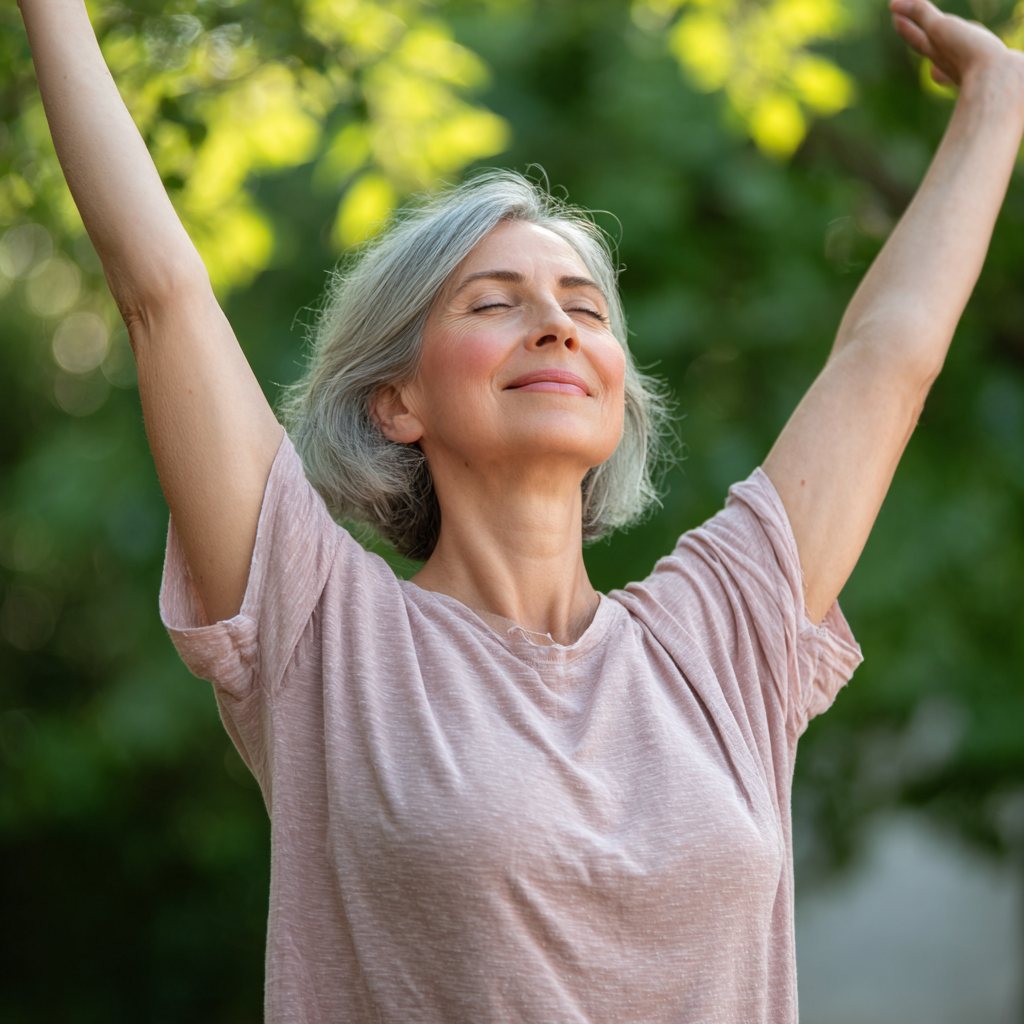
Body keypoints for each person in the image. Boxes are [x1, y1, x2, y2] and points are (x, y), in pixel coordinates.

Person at [17, 0, 1024, 1019]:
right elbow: (161, 294)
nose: (555, 325)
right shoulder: (325, 634)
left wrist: (994, 102)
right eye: (495, 301)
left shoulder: (722, 635)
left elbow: (887, 359)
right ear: (395, 400)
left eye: (584, 307)